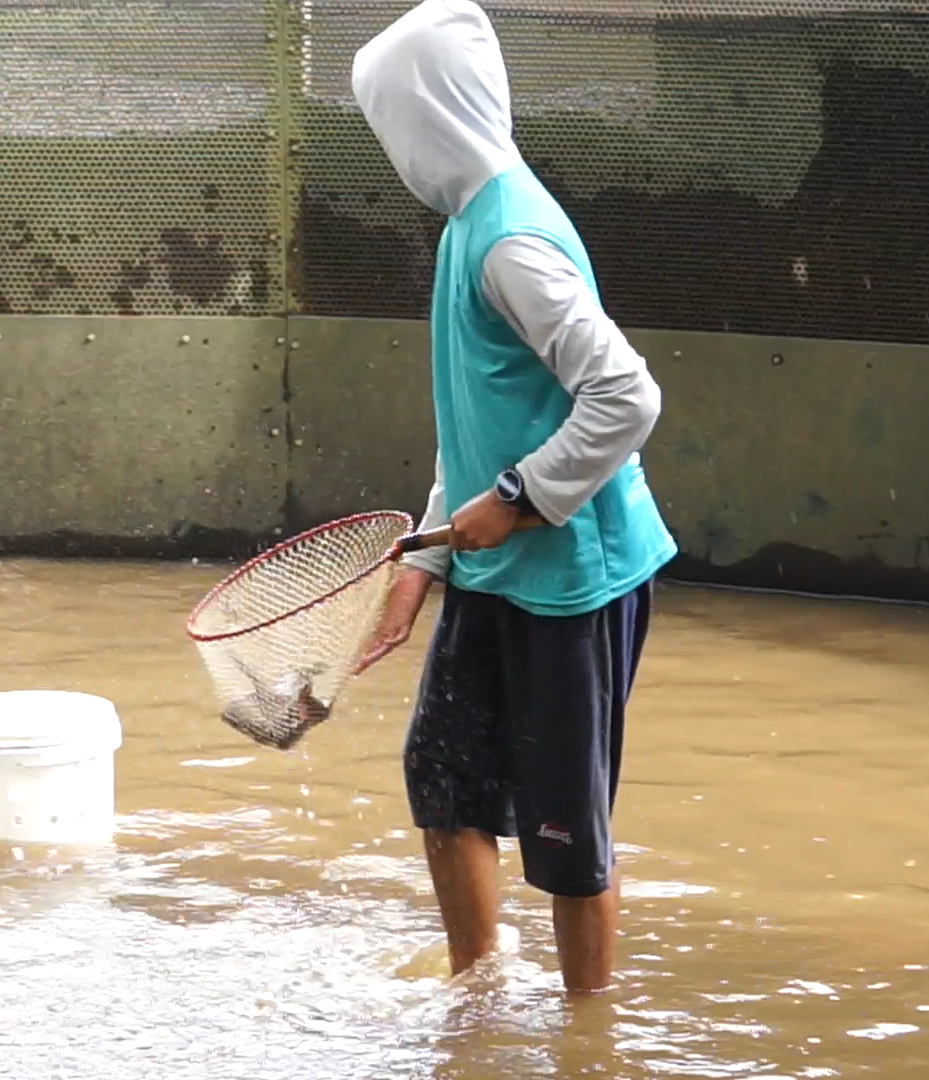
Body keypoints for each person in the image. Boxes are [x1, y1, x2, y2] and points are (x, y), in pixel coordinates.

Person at [349, 0, 678, 994]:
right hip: (494, 562)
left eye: (391, 123)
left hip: (574, 577)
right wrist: (427, 561)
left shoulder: (511, 244)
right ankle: (477, 991)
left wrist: (524, 499)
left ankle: (587, 1035)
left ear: (431, 115)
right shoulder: (464, 231)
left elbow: (627, 394)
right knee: (442, 781)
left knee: (566, 830)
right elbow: (477, 425)